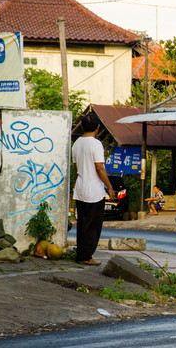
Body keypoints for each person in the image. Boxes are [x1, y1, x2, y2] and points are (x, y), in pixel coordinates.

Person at [72, 113, 115, 266]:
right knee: (93, 225)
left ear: (82, 126)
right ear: (98, 127)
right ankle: (86, 256)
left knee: (83, 223)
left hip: (80, 188)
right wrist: (110, 187)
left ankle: (81, 253)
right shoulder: (96, 144)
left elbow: (76, 167)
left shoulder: (76, 143)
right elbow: (100, 167)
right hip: (94, 191)